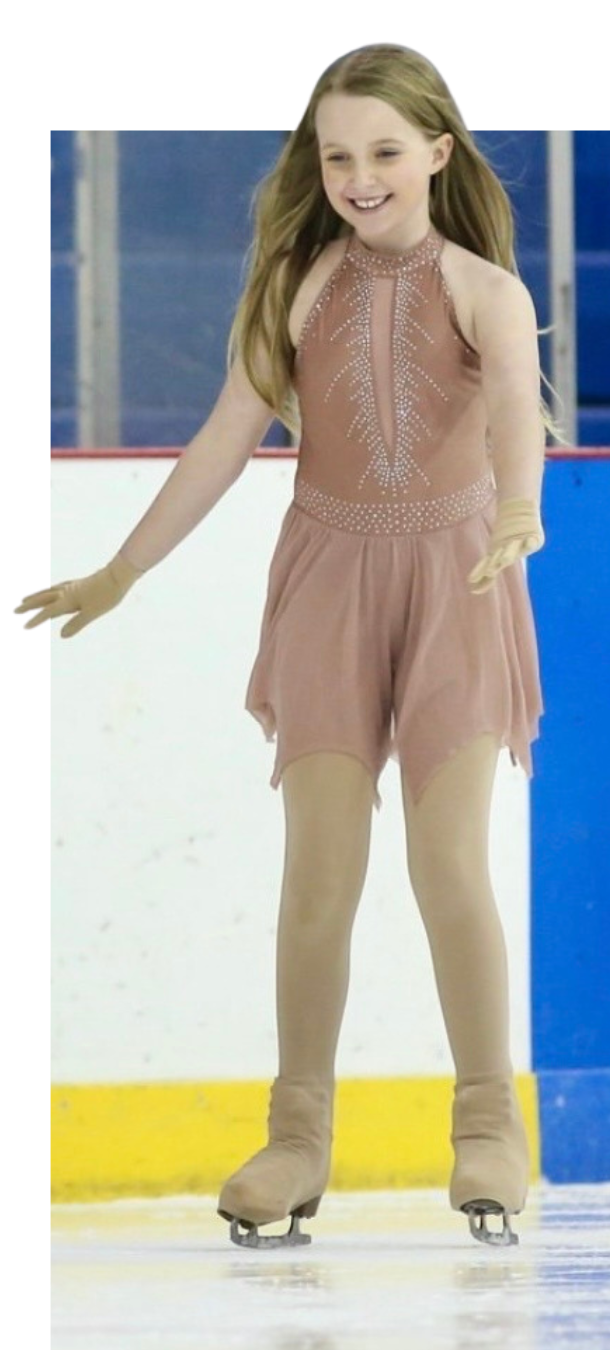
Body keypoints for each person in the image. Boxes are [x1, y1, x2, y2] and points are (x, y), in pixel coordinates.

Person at [29, 50, 550, 1248]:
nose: (359, 177)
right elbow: (226, 435)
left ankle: (487, 1127)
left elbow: (516, 407)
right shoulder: (297, 283)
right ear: (314, 167)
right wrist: (123, 569)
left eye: (382, 151)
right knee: (317, 874)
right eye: (336, 155)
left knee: (445, 865)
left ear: (437, 152)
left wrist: (517, 509)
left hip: (457, 578)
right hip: (325, 578)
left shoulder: (485, 290)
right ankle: (296, 1139)